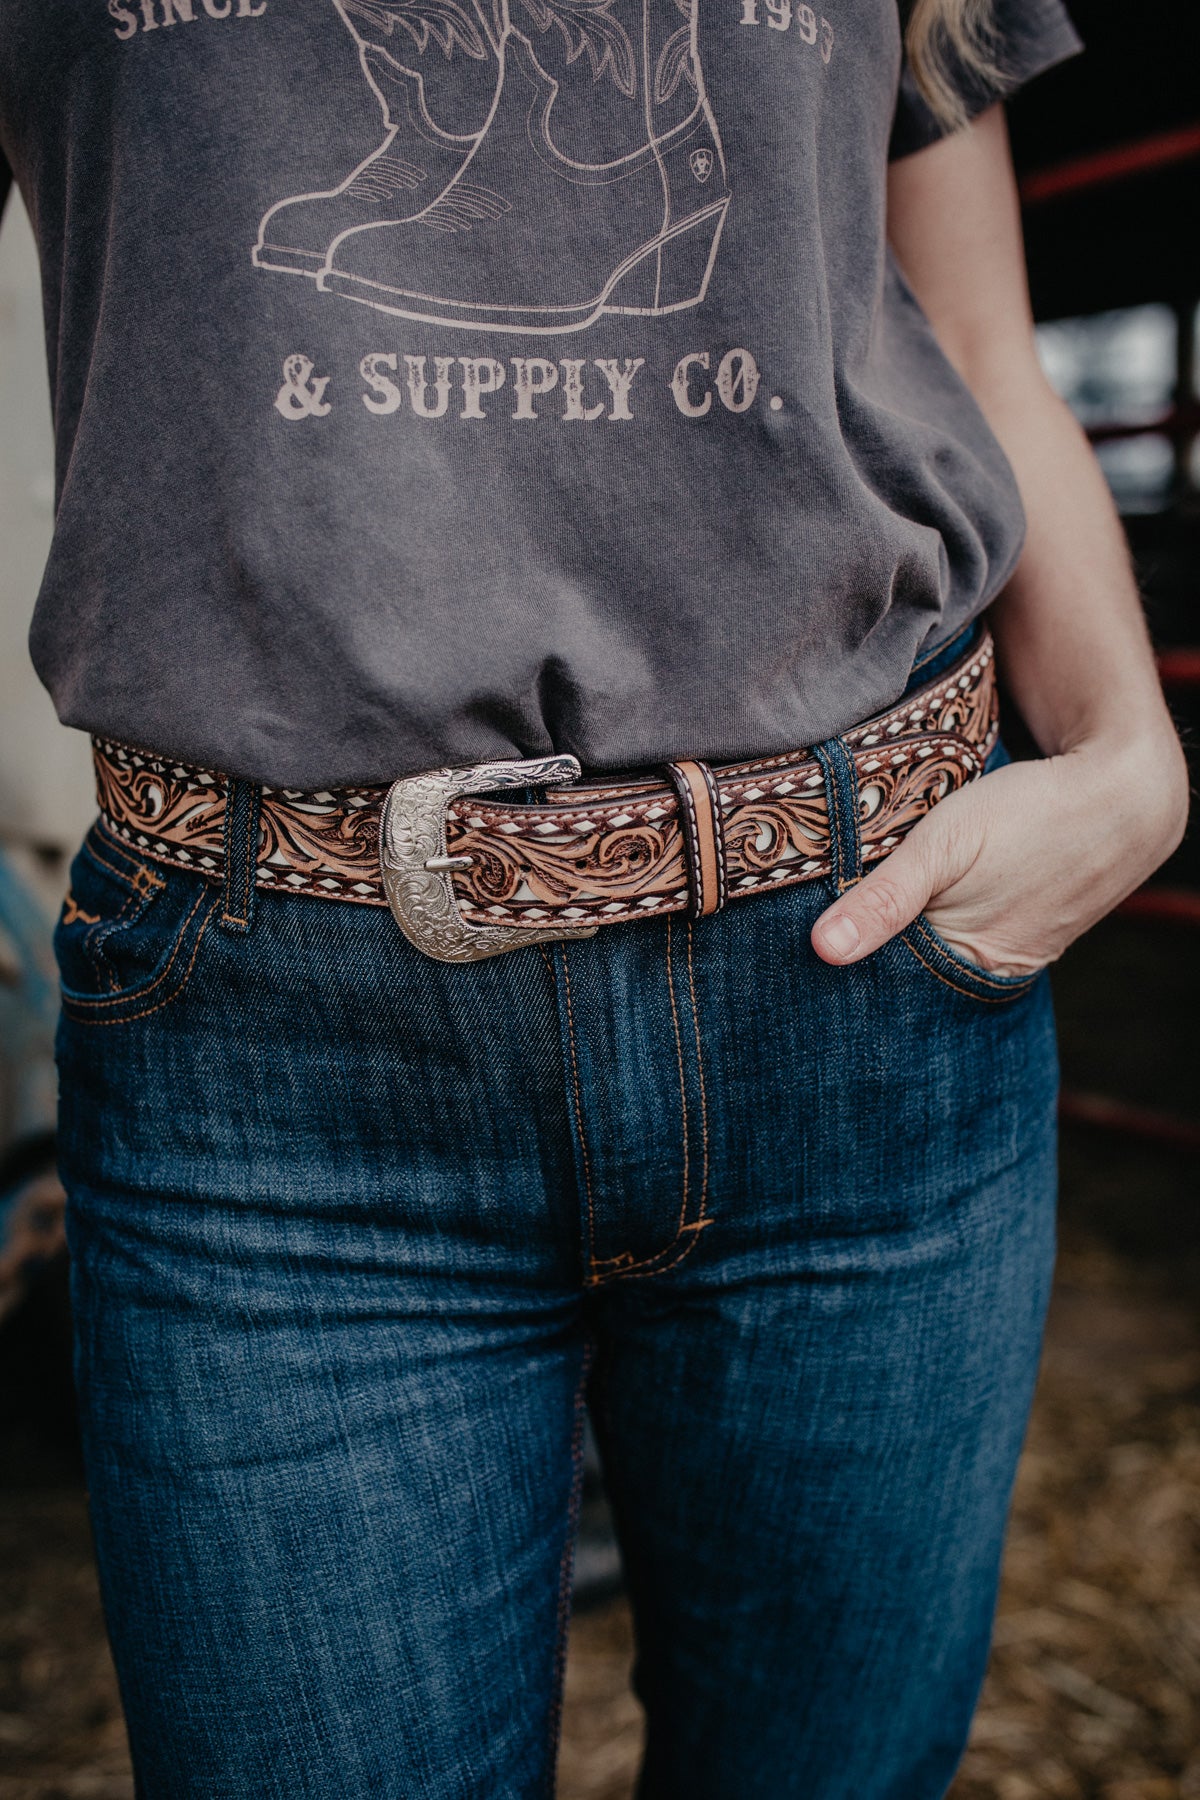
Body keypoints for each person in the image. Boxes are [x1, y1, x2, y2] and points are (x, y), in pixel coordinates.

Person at [0, 0, 1187, 1791]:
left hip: (860, 980)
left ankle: (622, 179)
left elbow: (971, 335)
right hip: (278, 1051)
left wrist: (1128, 757)